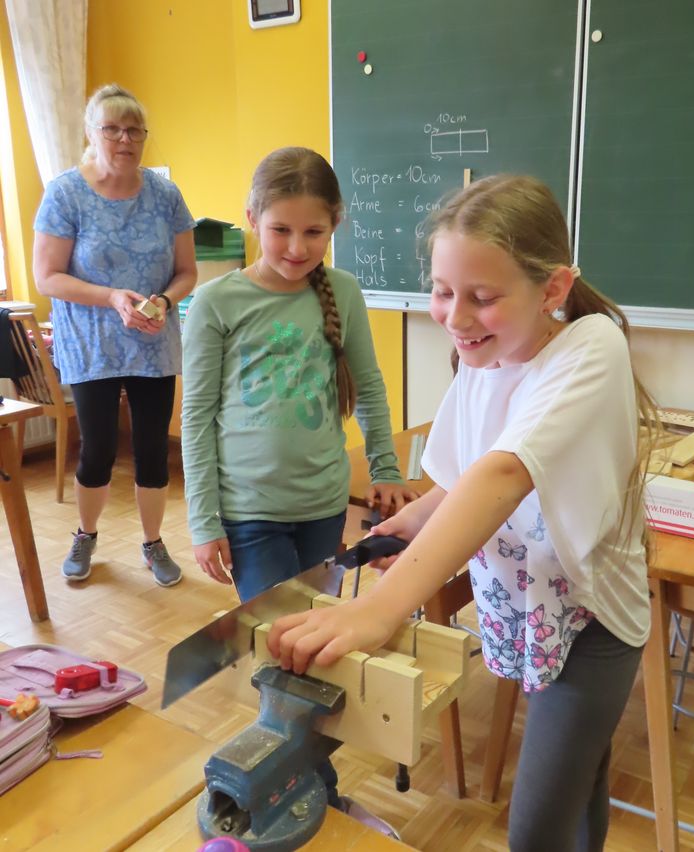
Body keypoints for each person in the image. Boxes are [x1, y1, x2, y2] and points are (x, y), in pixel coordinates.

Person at [265, 175, 657, 852]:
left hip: (591, 622)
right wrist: (416, 522)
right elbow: (466, 475)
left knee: (535, 829)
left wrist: (380, 607)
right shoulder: (486, 354)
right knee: (580, 773)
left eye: (482, 297)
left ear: (554, 289)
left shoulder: (592, 347)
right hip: (533, 610)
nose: (455, 317)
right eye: (444, 292)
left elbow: (506, 475)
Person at [180, 147, 415, 835]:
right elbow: (196, 417)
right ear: (253, 219)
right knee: (280, 654)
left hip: (321, 509)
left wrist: (386, 471)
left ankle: (306, 779)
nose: (296, 246)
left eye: (313, 232)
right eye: (281, 230)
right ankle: (304, 782)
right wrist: (202, 521)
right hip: (249, 516)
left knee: (319, 650)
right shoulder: (217, 303)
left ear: (334, 226)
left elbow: (369, 389)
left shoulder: (339, 291)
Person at [33, 83, 197, 587]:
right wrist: (111, 297)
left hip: (152, 339)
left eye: (135, 130)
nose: (125, 139)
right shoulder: (65, 193)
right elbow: (48, 277)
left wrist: (165, 301)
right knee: (99, 448)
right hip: (91, 342)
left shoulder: (166, 194)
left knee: (152, 449)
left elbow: (187, 271)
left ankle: (153, 542)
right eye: (112, 129)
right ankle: (85, 533)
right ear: (91, 133)